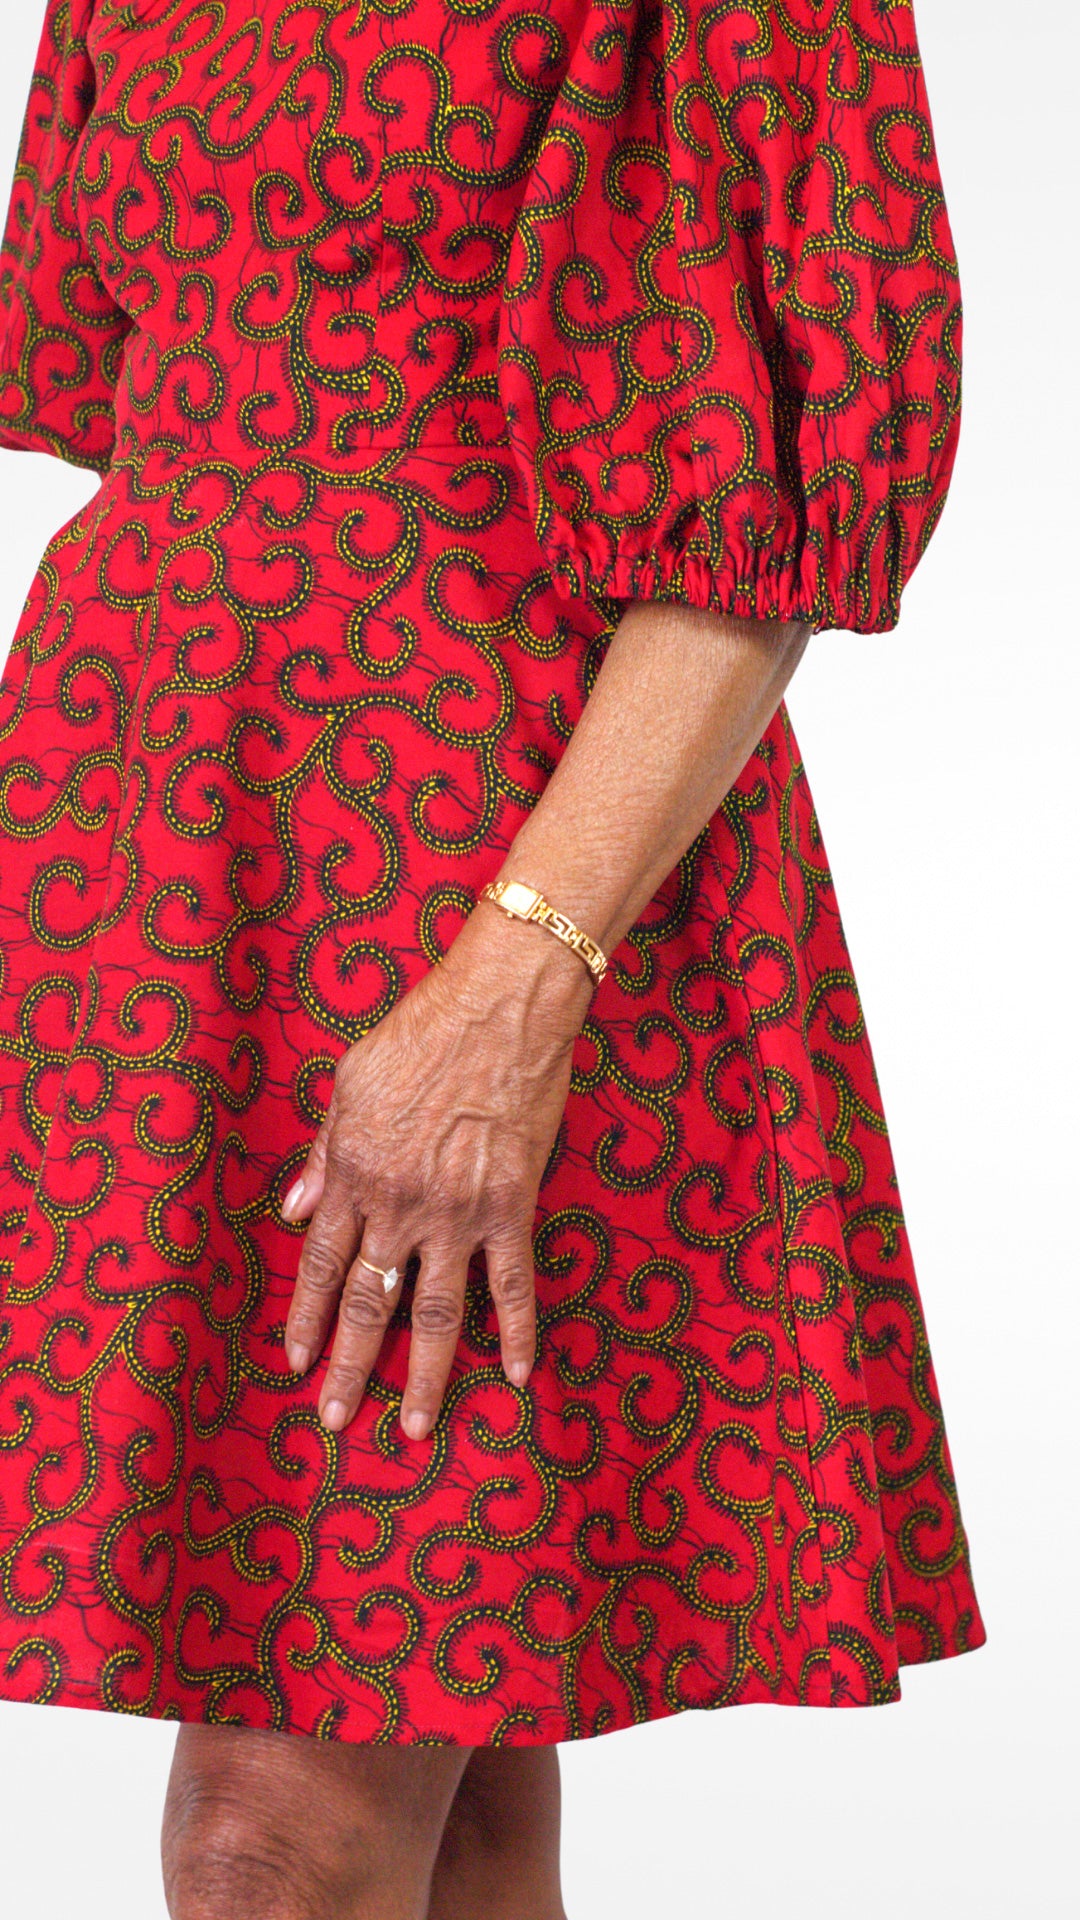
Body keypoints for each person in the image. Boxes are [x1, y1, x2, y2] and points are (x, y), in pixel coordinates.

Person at [0, 1, 985, 1914]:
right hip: (156, 891)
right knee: (453, 1814)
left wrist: (513, 981)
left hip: (478, 878)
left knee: (268, 1843)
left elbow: (763, 519)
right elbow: (102, 380)